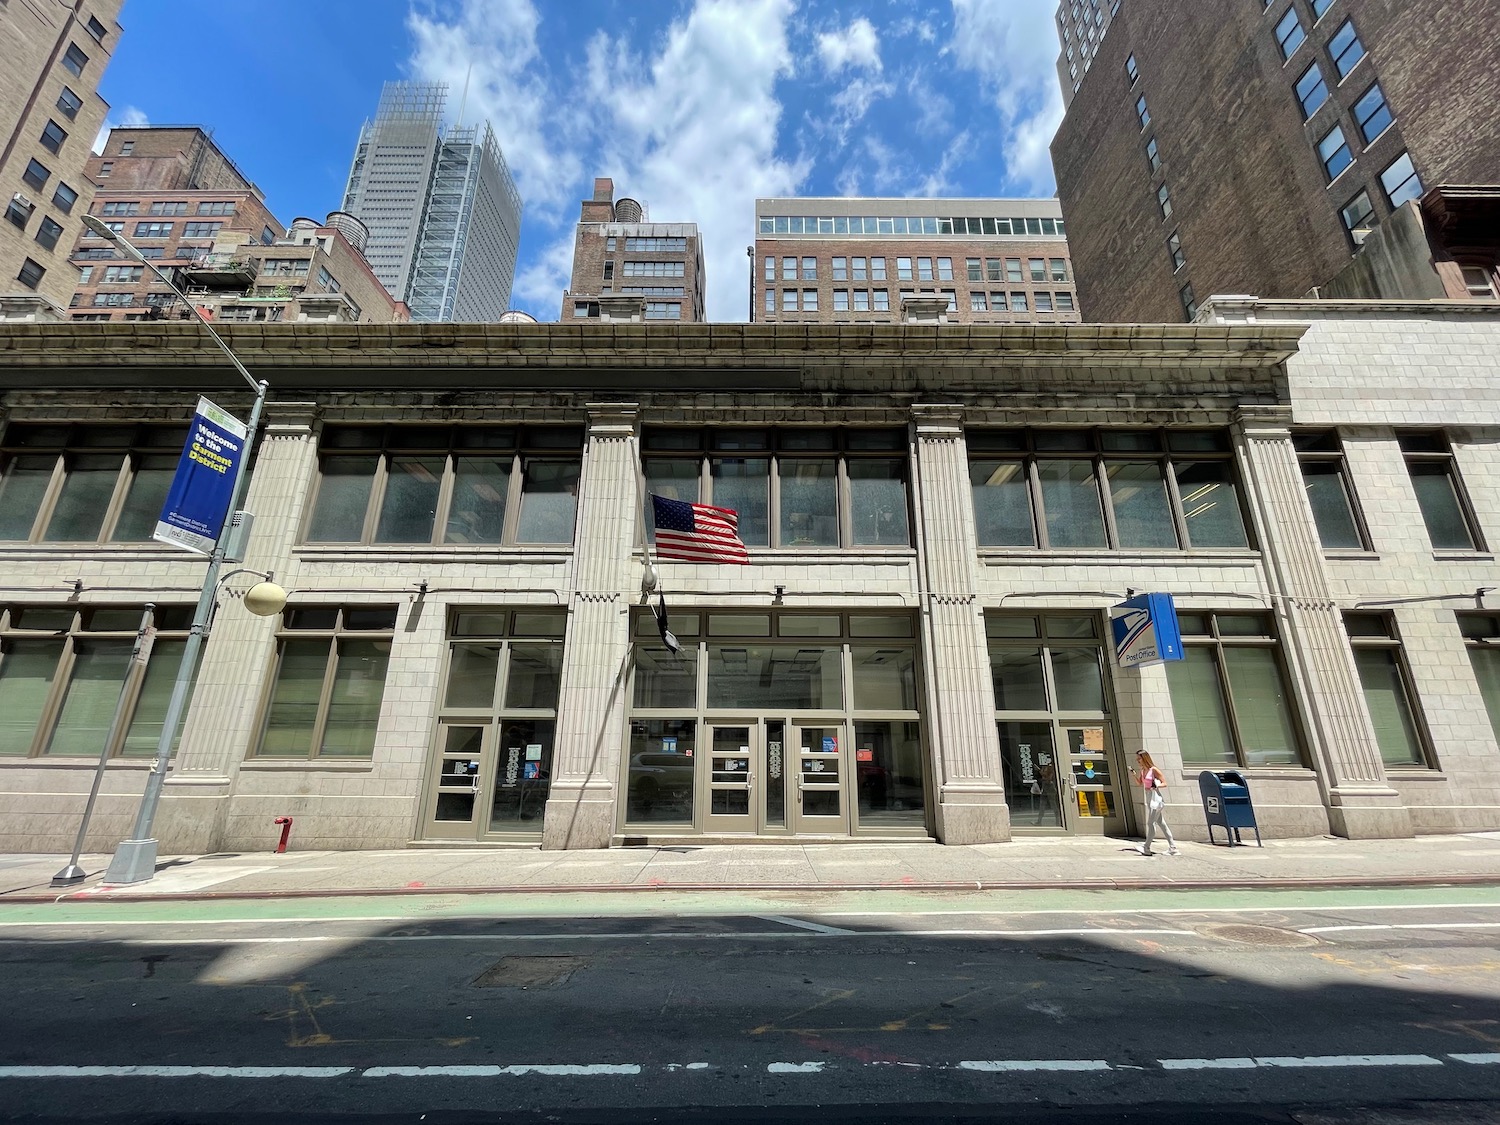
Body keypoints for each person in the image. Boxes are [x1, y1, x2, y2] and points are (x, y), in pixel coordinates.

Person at [1135, 749, 1179, 856]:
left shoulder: (1153, 770)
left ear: (1144, 758)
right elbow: (1140, 783)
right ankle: (1173, 847)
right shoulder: (1142, 771)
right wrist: (1133, 774)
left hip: (1156, 799)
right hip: (1149, 798)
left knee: (1151, 823)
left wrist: (1156, 785)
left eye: (1139, 758)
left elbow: (1164, 783)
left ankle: (1146, 847)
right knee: (1161, 823)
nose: (1137, 761)